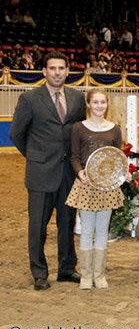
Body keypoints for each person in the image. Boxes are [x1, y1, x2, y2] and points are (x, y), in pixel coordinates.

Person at [9, 51, 86, 290]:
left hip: (68, 173)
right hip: (40, 173)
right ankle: (39, 273)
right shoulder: (30, 99)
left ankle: (66, 269)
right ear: (44, 72)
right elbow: (16, 134)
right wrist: (35, 156)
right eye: (52, 68)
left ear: (67, 71)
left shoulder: (77, 97)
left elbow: (79, 132)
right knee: (38, 227)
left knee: (67, 223)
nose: (57, 72)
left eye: (61, 68)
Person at [65, 89, 131, 289]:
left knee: (102, 231)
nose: (99, 106)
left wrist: (123, 173)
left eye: (103, 102)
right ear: (88, 104)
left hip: (107, 187)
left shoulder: (114, 129)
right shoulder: (78, 128)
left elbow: (116, 156)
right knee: (86, 230)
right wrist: (80, 173)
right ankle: (86, 275)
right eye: (95, 102)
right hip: (87, 185)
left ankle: (99, 275)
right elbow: (74, 156)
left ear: (107, 104)